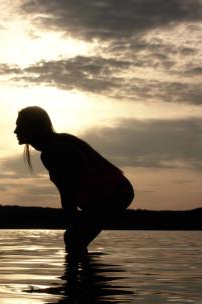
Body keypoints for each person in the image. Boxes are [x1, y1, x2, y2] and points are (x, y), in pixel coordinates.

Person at [14, 106, 134, 258]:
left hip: (114, 193)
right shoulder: (60, 142)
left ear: (32, 127)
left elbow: (67, 191)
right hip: (117, 192)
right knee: (75, 238)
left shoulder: (53, 151)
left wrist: (71, 219)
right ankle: (85, 277)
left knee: (73, 238)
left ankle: (80, 278)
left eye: (19, 125)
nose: (15, 131)